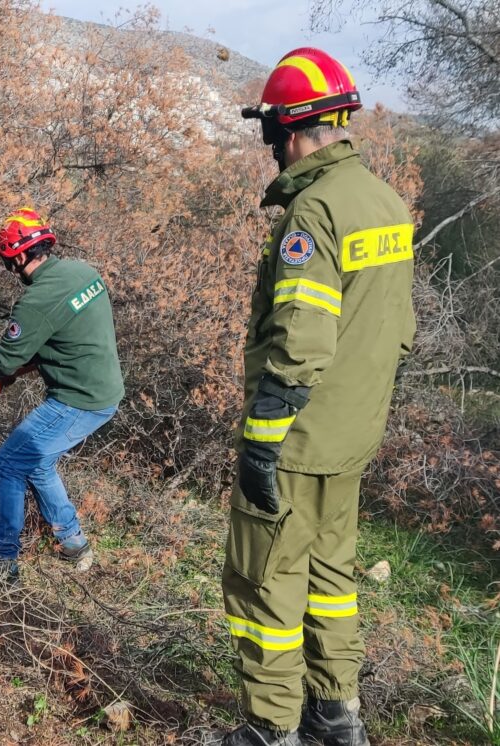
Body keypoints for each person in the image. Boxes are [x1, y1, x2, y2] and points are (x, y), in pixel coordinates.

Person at [222, 48, 416, 746]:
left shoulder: (314, 212)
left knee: (265, 580)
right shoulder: (384, 201)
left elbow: (301, 342)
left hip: (300, 439)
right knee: (331, 576)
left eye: (271, 132)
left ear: (287, 131)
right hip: (354, 433)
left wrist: (263, 437)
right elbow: (398, 331)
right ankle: (338, 719)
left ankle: (270, 730)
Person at [0, 208, 124, 581]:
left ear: (15, 257)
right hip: (103, 392)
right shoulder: (84, 273)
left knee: (7, 465)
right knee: (37, 462)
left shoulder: (37, 300)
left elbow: (1, 362)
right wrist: (21, 360)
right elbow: (64, 338)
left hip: (77, 401)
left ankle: (1, 567)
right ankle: (74, 543)